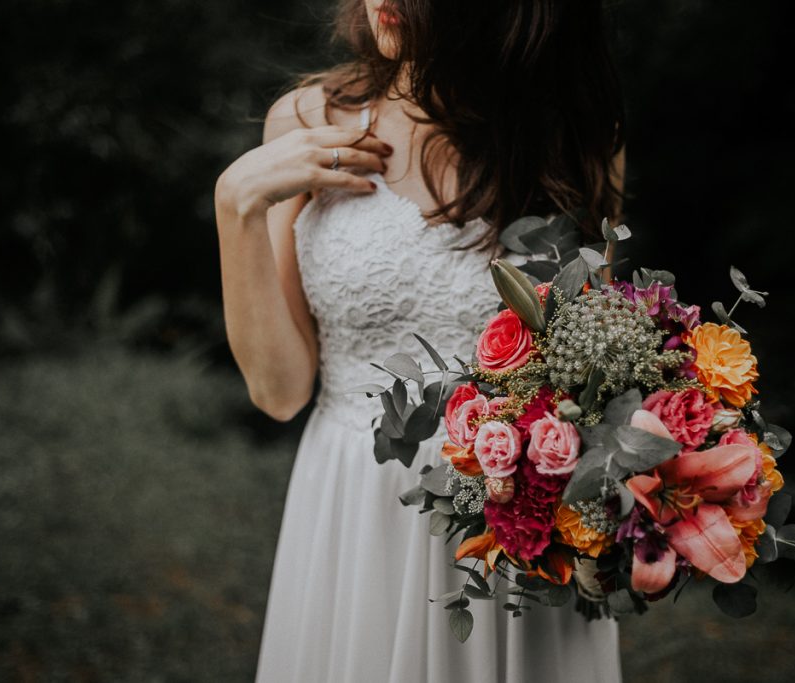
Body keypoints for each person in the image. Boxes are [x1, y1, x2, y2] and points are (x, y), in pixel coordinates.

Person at [214, 1, 627, 680]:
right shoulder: (309, 121)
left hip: (520, 527)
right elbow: (280, 390)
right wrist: (237, 204)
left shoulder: (576, 135)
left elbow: (593, 374)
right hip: (358, 511)